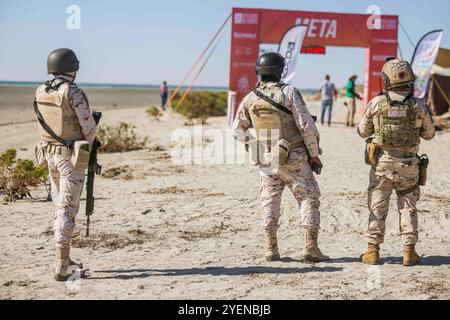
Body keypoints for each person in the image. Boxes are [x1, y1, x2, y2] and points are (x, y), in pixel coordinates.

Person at [232, 52, 328, 262]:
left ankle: (271, 249)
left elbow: (236, 131)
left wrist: (253, 145)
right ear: (280, 70)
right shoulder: (289, 92)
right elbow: (306, 127)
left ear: (258, 70)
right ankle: (310, 248)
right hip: (294, 156)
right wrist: (314, 154)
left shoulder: (250, 98)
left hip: (266, 159)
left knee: (269, 201)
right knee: (308, 198)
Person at [357, 58, 435, 266]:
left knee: (377, 206)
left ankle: (372, 252)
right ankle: (409, 252)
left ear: (386, 80)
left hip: (382, 164)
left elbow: (362, 131)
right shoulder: (419, 105)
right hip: (409, 165)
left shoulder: (375, 103)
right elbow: (429, 134)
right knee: (408, 207)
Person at [34, 48, 98, 281]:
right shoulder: (73, 92)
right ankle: (62, 265)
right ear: (72, 68)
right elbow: (89, 128)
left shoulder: (41, 90)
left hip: (48, 154)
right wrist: (89, 143)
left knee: (59, 206)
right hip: (69, 158)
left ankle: (64, 258)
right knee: (67, 209)